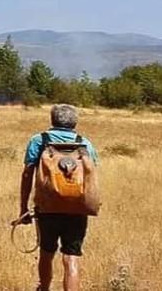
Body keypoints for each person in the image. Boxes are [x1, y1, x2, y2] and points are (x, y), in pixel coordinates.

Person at [18, 104, 99, 291]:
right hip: (78, 207)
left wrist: (23, 207)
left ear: (52, 120)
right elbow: (91, 174)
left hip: (47, 207)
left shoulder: (39, 140)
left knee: (46, 253)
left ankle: (44, 288)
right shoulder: (85, 143)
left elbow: (27, 174)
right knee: (71, 258)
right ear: (74, 122)